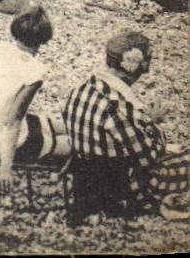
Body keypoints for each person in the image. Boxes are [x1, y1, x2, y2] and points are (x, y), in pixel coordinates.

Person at [62, 31, 190, 224]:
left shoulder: (83, 87)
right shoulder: (116, 106)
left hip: (83, 172)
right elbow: (148, 156)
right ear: (136, 68)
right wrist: (153, 125)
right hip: (119, 183)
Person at [0, 7, 70, 194]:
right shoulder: (35, 71)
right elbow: (14, 121)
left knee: (59, 126)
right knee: (73, 143)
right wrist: (5, 170)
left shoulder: (0, 49)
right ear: (43, 40)